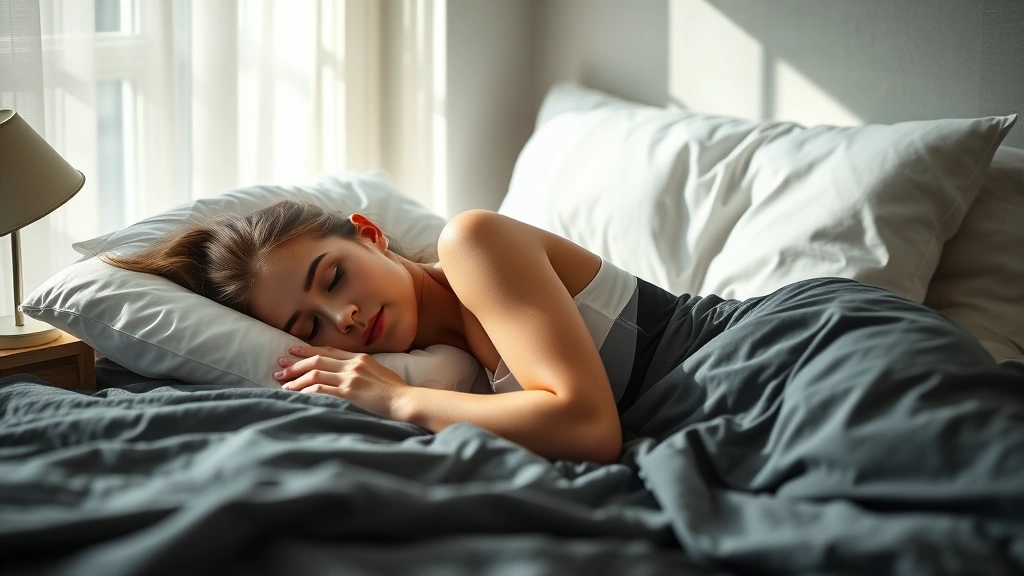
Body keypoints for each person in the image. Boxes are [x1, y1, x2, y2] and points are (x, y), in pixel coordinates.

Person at [102, 200, 1022, 465]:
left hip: (791, 350)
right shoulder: (452, 356)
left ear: (372, 234)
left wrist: (399, 398)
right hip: (720, 406)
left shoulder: (474, 244)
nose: (343, 319)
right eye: (307, 323)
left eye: (334, 275)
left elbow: (585, 426)